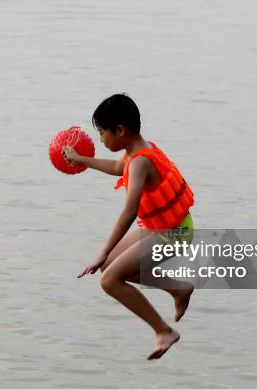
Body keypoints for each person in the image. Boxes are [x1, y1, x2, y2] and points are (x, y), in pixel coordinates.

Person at [62, 93, 196, 360]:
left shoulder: (141, 162)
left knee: (109, 279)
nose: (100, 139)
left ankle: (164, 331)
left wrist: (101, 250)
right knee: (109, 265)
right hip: (164, 225)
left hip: (173, 233)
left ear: (120, 130)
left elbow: (130, 210)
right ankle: (177, 288)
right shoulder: (138, 151)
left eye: (102, 132)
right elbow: (116, 167)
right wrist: (82, 161)